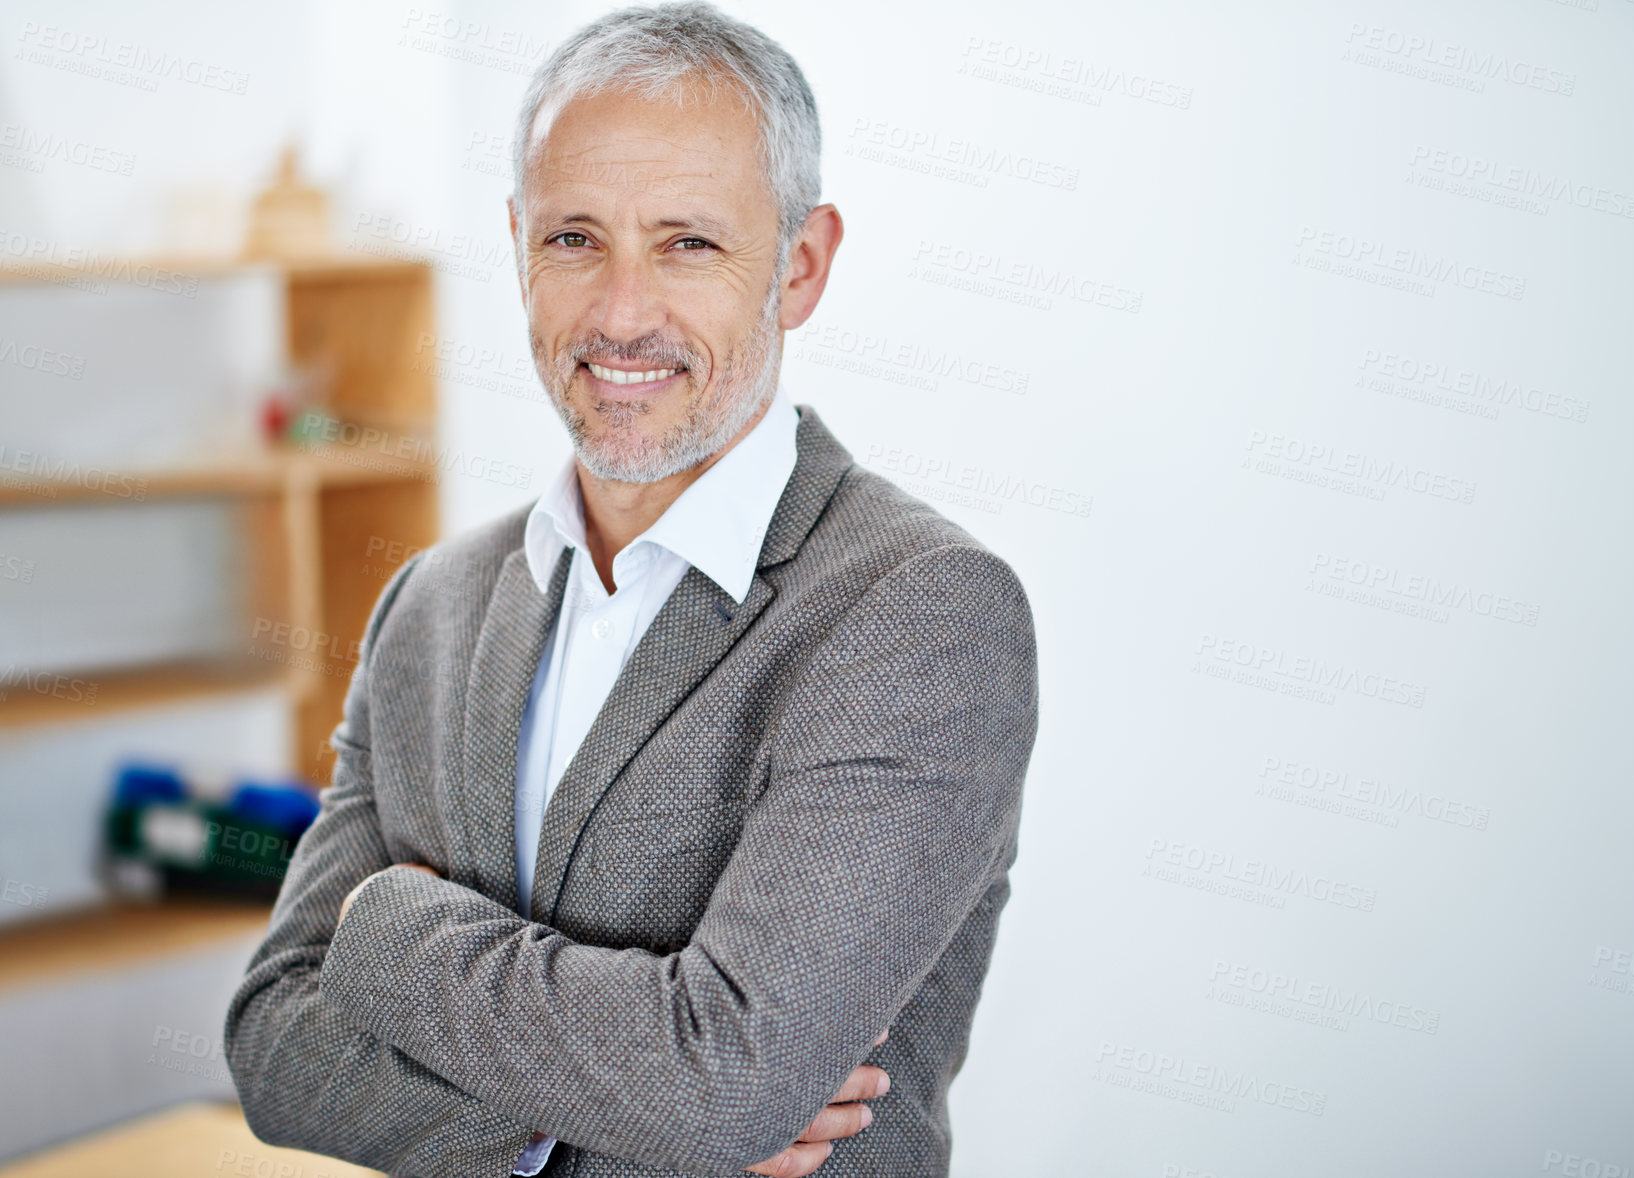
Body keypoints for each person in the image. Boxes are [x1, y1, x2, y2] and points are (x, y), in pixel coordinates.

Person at [224, 5, 1039, 1175]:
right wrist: (628, 1094)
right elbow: (272, 1045)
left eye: (688, 243)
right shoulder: (431, 606)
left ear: (800, 264)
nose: (620, 313)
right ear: (515, 246)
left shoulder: (919, 613)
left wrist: (385, 928)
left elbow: (721, 1084)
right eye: (573, 239)